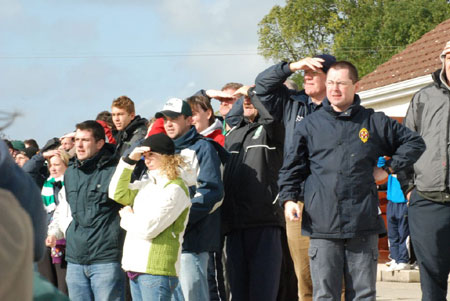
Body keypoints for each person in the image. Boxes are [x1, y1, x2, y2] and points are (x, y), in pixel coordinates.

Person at [280, 61, 425, 300]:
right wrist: (289, 199)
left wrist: (388, 169)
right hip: (322, 224)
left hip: (362, 222)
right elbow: (292, 167)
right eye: (330, 83)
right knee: (325, 294)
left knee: (363, 294)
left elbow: (414, 143)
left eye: (341, 83)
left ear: (355, 86)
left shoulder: (374, 122)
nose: (334, 88)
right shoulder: (309, 125)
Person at [254, 54, 336, 300]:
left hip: (334, 200)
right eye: (305, 73)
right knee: (305, 277)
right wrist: (291, 67)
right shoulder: (293, 103)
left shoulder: (345, 108)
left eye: (314, 73)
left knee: (337, 279)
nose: (307, 77)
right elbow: (261, 87)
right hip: (298, 200)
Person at [155, 98, 225, 301]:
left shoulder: (204, 148)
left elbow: (213, 193)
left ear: (189, 119)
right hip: (168, 242)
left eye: (174, 119)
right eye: (165, 119)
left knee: (193, 296)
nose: (168, 123)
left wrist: (179, 219)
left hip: (195, 241)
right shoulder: (162, 152)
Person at [108, 133, 192, 301]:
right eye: (144, 156)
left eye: (151, 155)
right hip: (136, 266)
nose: (146, 160)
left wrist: (127, 218)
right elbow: (117, 193)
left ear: (167, 158)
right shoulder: (148, 183)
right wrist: (130, 161)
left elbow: (148, 229)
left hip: (156, 269)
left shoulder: (175, 188)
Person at [222, 85, 285, 300]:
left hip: (263, 223)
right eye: (242, 99)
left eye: (251, 98)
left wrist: (256, 95)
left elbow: (272, 120)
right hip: (234, 226)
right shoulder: (234, 135)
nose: (246, 101)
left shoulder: (273, 130)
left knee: (262, 293)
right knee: (238, 293)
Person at [400, 40, 450, 300]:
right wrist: (409, 188)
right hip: (428, 201)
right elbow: (405, 146)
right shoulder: (423, 98)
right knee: (432, 281)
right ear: (443, 60)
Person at [63, 120, 125, 301]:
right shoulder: (70, 172)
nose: (79, 145)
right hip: (75, 258)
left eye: (85, 140)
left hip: (106, 258)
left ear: (99, 143)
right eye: (77, 140)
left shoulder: (115, 170)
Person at [38, 149, 71, 295]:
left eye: (57, 164)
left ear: (66, 165)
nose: (53, 168)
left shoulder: (71, 184)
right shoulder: (47, 185)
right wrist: (41, 155)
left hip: (64, 240)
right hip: (47, 238)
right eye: (50, 165)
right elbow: (29, 171)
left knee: (63, 284)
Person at [377, 157, 411, 272]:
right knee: (392, 233)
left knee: (403, 233)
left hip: (403, 202)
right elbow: (380, 164)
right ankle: (395, 257)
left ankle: (403, 260)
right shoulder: (390, 162)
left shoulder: (405, 161)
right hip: (391, 202)